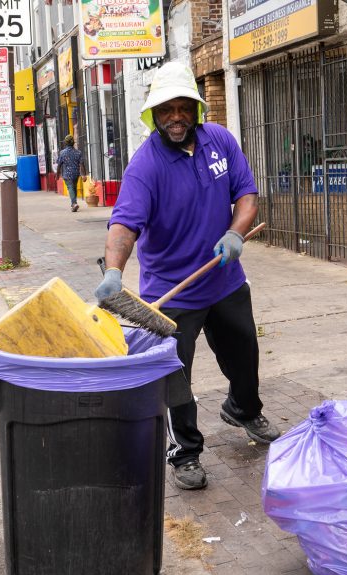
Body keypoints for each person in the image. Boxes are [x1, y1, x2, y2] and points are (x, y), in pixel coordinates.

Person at [94, 63, 280, 491]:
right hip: (171, 292)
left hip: (225, 279)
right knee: (176, 379)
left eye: (183, 108)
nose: (175, 117)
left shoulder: (220, 141)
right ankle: (185, 453)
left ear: (196, 109)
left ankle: (243, 409)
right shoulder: (146, 166)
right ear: (153, 115)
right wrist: (115, 272)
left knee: (244, 359)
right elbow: (124, 225)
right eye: (166, 111)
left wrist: (235, 232)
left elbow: (246, 196)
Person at [55, 135, 85, 212]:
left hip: (67, 174)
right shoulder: (78, 152)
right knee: (73, 187)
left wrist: (57, 175)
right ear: (73, 143)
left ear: (65, 143)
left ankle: (74, 203)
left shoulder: (62, 153)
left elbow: (59, 165)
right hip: (76, 173)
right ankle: (73, 205)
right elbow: (81, 164)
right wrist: (84, 175)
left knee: (70, 188)